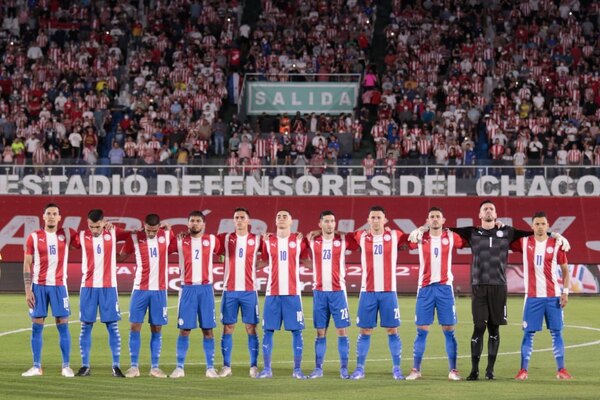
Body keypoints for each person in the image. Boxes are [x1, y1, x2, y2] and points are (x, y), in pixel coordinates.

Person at [411, 200, 570, 380]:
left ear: (496, 215)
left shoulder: (508, 232)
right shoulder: (471, 232)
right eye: (485, 209)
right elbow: (438, 228)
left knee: (494, 329)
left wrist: (555, 235)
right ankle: (474, 371)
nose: (488, 211)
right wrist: (423, 228)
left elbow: (534, 233)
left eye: (491, 209)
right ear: (479, 215)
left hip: (499, 287)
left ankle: (490, 371)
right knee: (479, 327)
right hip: (478, 286)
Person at [405, 207, 465, 381]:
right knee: (422, 331)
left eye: (438, 217)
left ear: (443, 220)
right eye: (432, 217)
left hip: (445, 288)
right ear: (428, 220)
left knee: (449, 330)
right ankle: (415, 370)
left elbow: (468, 239)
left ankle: (453, 370)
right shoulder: (421, 236)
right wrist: (420, 229)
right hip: (425, 288)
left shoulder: (452, 237)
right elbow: (408, 242)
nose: (435, 219)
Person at [511, 212, 572, 380]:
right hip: (532, 297)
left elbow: (566, 271)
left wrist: (565, 292)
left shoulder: (557, 244)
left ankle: (561, 370)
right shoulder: (524, 242)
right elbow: (507, 236)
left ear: (548, 225)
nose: (539, 226)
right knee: (528, 334)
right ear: (532, 226)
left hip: (554, 296)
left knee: (556, 333)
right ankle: (523, 370)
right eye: (536, 224)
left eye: (543, 224)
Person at [350, 206, 407, 380]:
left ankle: (397, 368)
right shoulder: (360, 236)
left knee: (392, 330)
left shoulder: (395, 235)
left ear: (385, 220)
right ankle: (359, 368)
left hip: (389, 292)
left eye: (378, 217)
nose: (375, 220)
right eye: (372, 217)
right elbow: (338, 236)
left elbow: (413, 240)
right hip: (368, 291)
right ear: (368, 221)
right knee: (365, 331)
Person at [73, 209, 128, 378]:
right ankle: (85, 366)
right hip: (88, 287)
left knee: (112, 326)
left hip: (108, 287)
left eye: (97, 227)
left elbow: (133, 236)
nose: (94, 230)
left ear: (104, 222)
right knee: (86, 326)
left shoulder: (113, 231)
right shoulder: (81, 236)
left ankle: (116, 366)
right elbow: (63, 239)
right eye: (91, 226)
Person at [118, 214, 175, 378]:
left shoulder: (166, 235)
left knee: (156, 328)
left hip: (159, 290)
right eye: (149, 230)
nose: (151, 234)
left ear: (159, 227)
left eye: (154, 231)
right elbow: (122, 256)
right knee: (135, 326)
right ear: (144, 226)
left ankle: (155, 367)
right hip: (140, 289)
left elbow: (177, 247)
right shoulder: (135, 237)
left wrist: (170, 229)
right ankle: (134, 367)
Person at [22, 203, 75, 377]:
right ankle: (37, 366)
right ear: (43, 216)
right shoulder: (34, 237)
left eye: (55, 214)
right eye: (49, 213)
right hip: (38, 286)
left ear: (60, 217)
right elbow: (27, 264)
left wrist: (106, 225)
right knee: (37, 326)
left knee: (63, 325)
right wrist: (28, 289)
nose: (51, 216)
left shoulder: (66, 234)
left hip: (59, 286)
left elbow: (90, 236)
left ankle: (66, 366)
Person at [305, 211, 358, 379]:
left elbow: (355, 237)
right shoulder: (313, 241)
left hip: (338, 292)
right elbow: (303, 248)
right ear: (320, 223)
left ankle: (343, 369)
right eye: (326, 221)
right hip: (319, 292)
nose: (330, 224)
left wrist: (333, 232)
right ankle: (318, 369)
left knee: (342, 331)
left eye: (332, 221)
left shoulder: (342, 241)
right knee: (320, 333)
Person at [257, 210, 309, 379]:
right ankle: (266, 369)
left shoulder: (299, 240)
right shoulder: (267, 241)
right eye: (278, 216)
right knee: (268, 331)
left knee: (296, 332)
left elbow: (307, 260)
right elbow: (262, 261)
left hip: (293, 294)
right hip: (272, 293)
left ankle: (297, 370)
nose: (281, 219)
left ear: (291, 221)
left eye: (285, 216)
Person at [169, 211, 221, 379]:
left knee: (208, 329)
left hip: (206, 289)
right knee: (184, 329)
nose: (195, 223)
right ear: (188, 223)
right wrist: (167, 229)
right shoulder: (179, 240)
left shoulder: (212, 240)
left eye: (198, 221)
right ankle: (179, 368)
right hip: (187, 289)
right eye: (192, 221)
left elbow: (225, 254)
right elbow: (163, 248)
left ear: (203, 224)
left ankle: (210, 368)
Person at [215, 208, 262, 378]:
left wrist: (257, 266)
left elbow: (271, 253)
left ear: (248, 221)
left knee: (251, 328)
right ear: (233, 221)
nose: (240, 220)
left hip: (249, 291)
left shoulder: (257, 240)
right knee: (228, 327)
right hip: (230, 290)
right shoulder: (225, 238)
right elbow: (213, 249)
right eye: (237, 217)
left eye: (243, 217)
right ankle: (226, 366)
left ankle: (254, 366)